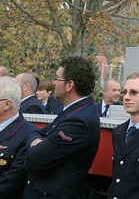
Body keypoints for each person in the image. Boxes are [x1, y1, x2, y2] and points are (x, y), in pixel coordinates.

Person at [23, 56, 101, 199]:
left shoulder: (79, 120)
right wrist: (37, 141)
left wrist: (36, 143)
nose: (53, 83)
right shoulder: (73, 112)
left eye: (57, 79)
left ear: (69, 85)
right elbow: (35, 133)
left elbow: (34, 160)